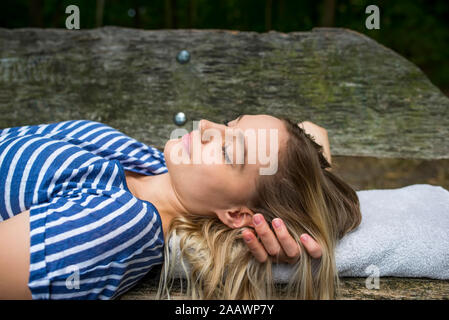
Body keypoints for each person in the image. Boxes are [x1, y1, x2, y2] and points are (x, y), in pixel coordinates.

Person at [0, 114, 361, 300]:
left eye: (226, 151)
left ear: (236, 215)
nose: (205, 127)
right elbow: (313, 130)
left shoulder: (117, 224)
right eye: (229, 122)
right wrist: (313, 187)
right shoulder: (154, 166)